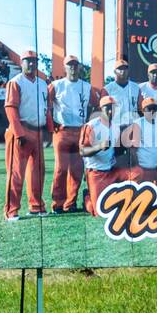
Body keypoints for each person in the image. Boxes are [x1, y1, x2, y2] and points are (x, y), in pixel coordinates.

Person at [3, 49, 52, 220]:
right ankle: (11, 211)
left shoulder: (42, 83)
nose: (31, 63)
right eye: (27, 60)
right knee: (16, 173)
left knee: (38, 172)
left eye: (34, 61)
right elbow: (10, 108)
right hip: (21, 130)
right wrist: (18, 133)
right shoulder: (15, 82)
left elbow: (47, 109)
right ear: (21, 62)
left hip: (37, 131)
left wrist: (50, 130)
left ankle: (36, 206)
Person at [48, 54, 95, 213]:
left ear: (79, 67)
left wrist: (90, 123)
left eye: (75, 65)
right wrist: (50, 123)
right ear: (65, 67)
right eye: (70, 65)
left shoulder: (86, 86)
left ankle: (70, 203)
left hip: (80, 130)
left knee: (77, 169)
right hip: (62, 130)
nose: (73, 68)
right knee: (61, 168)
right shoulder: (56, 85)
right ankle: (57, 204)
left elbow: (97, 105)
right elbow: (46, 105)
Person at [79, 94, 122, 217]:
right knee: (99, 212)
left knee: (114, 209)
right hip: (95, 171)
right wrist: (99, 147)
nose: (110, 111)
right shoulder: (91, 126)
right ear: (100, 109)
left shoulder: (115, 127)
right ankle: (87, 198)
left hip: (110, 171)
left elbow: (116, 151)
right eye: (107, 107)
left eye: (112, 108)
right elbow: (82, 151)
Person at [131, 96, 157, 192]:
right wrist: (138, 168)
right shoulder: (138, 124)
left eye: (154, 108)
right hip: (142, 169)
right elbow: (133, 149)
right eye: (149, 109)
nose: (152, 111)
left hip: (155, 169)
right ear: (143, 110)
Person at [105, 58, 142, 128]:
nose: (123, 71)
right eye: (120, 69)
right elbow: (103, 110)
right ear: (115, 71)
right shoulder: (108, 89)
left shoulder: (136, 87)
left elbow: (140, 107)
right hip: (115, 126)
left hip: (133, 125)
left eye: (125, 69)